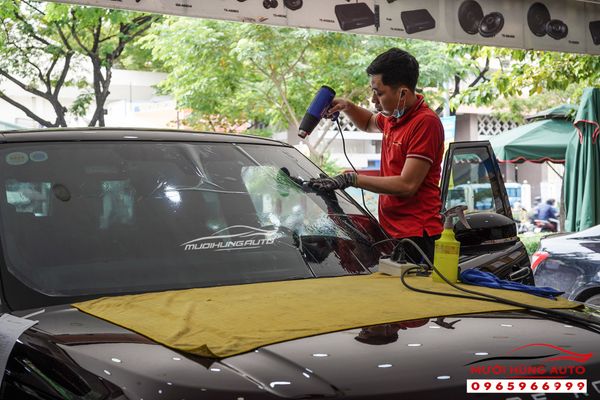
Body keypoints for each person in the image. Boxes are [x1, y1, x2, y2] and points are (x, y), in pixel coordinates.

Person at [308, 48, 444, 264]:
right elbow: (368, 122)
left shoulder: (425, 123)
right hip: (392, 231)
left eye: (379, 93)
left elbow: (407, 185)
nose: (373, 100)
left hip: (417, 236)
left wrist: (351, 179)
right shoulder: (394, 117)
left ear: (402, 94)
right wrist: (347, 106)